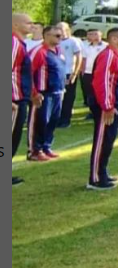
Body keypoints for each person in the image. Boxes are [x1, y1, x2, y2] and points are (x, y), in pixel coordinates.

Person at [88, 28, 118, 190]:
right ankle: (95, 178)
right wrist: (107, 106)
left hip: (114, 106)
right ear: (113, 39)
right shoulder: (108, 56)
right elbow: (102, 82)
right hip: (106, 108)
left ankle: (102, 173)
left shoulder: (117, 55)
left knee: (108, 140)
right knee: (102, 140)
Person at [28, 25, 66, 161]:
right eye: (57, 35)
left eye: (61, 35)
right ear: (46, 36)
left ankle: (46, 146)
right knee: (40, 121)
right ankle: (34, 150)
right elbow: (28, 73)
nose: (60, 37)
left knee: (53, 121)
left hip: (57, 92)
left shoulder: (58, 50)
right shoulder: (39, 51)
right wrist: (34, 92)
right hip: (43, 93)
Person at [11, 13, 35, 186]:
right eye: (28, 23)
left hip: (20, 97)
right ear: (16, 25)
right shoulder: (12, 43)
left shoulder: (19, 43)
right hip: (13, 100)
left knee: (14, 137)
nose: (32, 25)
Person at [57, 22, 83, 128]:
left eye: (61, 28)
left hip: (68, 72)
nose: (59, 30)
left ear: (67, 30)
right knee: (58, 97)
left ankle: (65, 120)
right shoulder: (55, 41)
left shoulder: (73, 41)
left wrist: (75, 72)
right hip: (57, 73)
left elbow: (79, 57)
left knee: (68, 97)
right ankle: (57, 119)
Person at [80, 29, 107, 119]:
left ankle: (102, 110)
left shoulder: (105, 46)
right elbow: (83, 59)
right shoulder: (85, 46)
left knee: (99, 92)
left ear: (101, 35)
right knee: (89, 93)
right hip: (88, 73)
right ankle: (92, 111)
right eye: (91, 34)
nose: (93, 36)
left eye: (96, 34)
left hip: (100, 73)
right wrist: (82, 72)